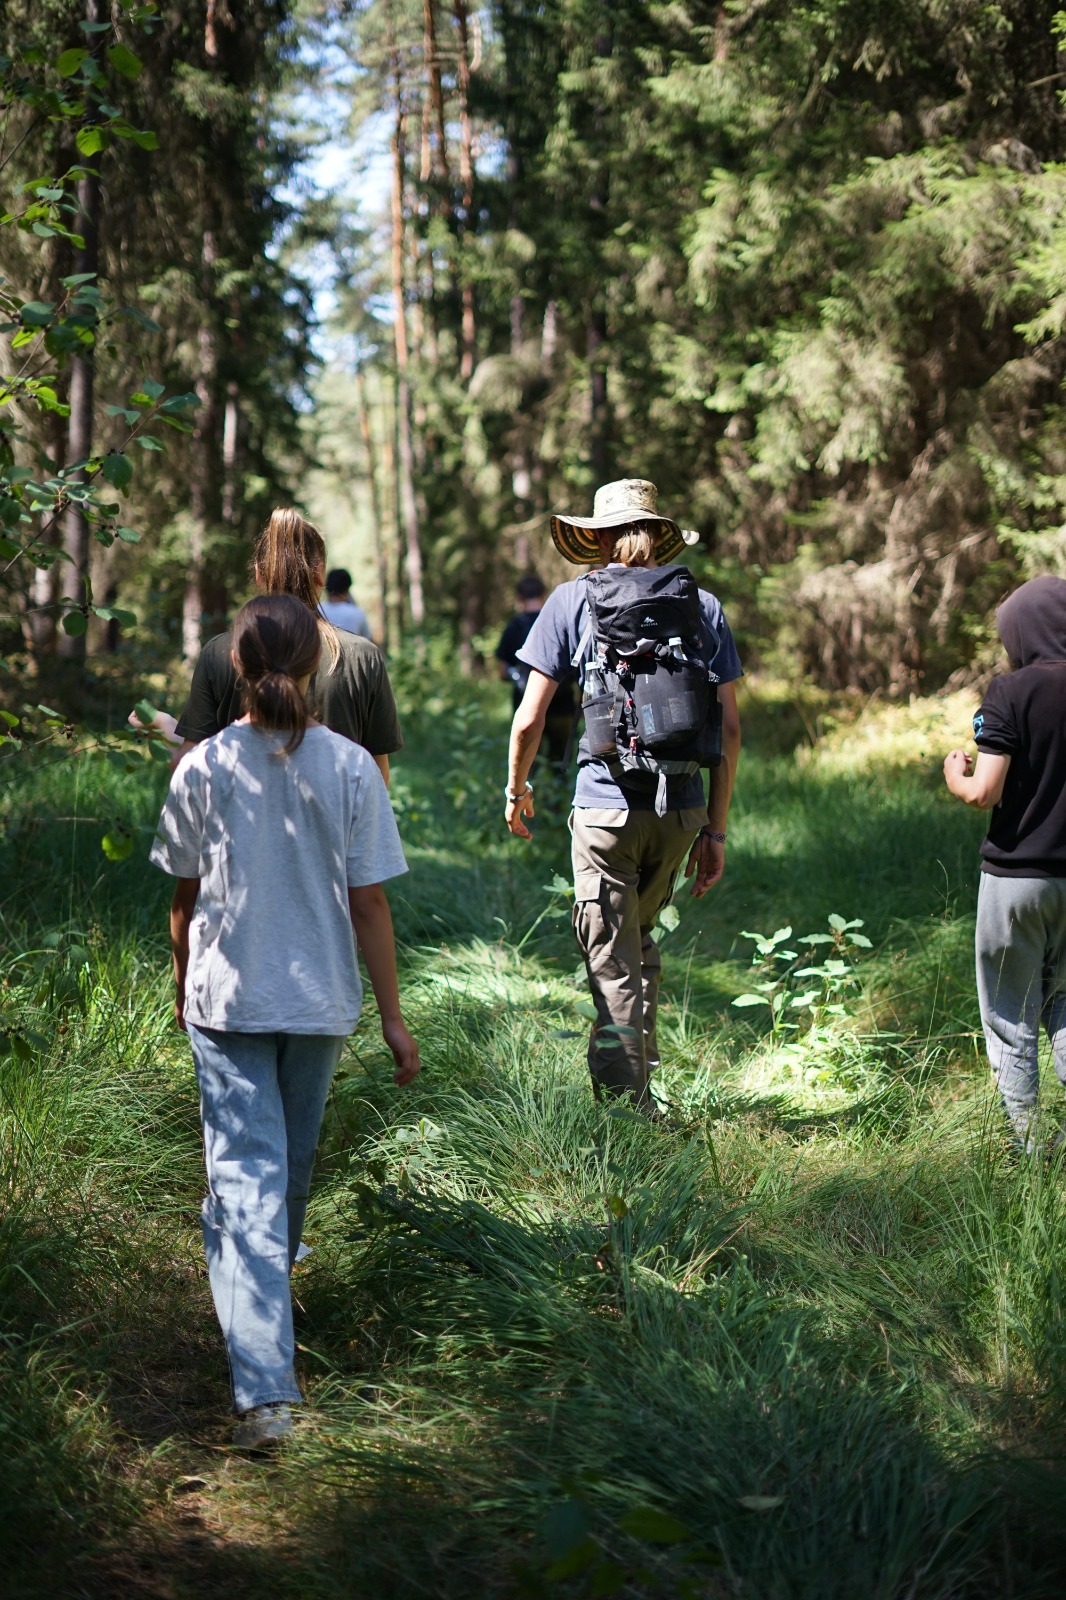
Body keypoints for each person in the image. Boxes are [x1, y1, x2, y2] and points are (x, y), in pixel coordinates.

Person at [150, 593, 420, 1448]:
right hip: (312, 1003)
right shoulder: (348, 767)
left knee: (270, 1183)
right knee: (268, 1179)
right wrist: (391, 1017)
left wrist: (185, 983)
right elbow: (369, 906)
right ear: (316, 666)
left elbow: (183, 901)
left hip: (235, 1000)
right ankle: (268, 1393)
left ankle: (248, 1276)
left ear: (236, 666)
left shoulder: (201, 767)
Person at [504, 478, 742, 1115]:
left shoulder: (569, 601)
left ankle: (623, 1113)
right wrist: (715, 831)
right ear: (659, 536)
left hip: (606, 807)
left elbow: (530, 718)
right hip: (680, 808)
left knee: (612, 957)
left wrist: (517, 786)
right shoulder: (703, 607)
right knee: (638, 942)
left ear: (598, 538)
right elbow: (731, 727)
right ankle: (641, 1089)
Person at [943, 574, 1066, 1154]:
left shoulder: (1011, 691)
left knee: (1012, 1018)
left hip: (1017, 880)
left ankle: (1032, 1152)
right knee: (1064, 1005)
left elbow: (983, 793)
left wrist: (955, 773)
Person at [168, 511, 400, 783]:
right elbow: (377, 777)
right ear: (320, 573)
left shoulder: (221, 653)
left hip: (241, 824)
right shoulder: (362, 657)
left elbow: (192, 769)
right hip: (337, 824)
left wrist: (169, 731)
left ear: (258, 574)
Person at [495, 574, 578, 771]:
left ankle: (529, 799)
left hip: (527, 708)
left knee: (528, 767)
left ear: (519, 597)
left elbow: (502, 672)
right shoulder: (560, 625)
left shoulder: (513, 628)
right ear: (544, 594)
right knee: (560, 765)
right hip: (563, 706)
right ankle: (556, 801)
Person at [319, 567, 372, 638]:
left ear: (327, 588)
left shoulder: (317, 610)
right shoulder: (358, 613)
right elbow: (369, 641)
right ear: (347, 589)